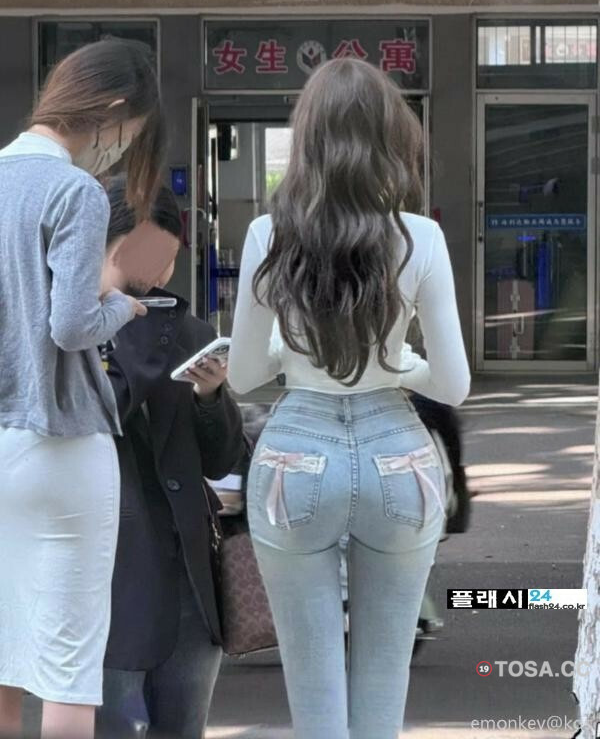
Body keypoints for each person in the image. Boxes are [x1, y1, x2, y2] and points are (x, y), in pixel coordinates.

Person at [228, 57, 471, 739]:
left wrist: (292, 353)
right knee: (384, 683)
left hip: (295, 456)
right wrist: (398, 362)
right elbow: (453, 386)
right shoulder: (420, 237)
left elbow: (244, 374)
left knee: (313, 690)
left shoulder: (267, 235)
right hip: (399, 455)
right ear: (392, 137)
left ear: (307, 139)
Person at [0, 39, 165, 739]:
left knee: (3, 651)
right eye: (130, 134)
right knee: (68, 664)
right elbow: (71, 327)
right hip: (63, 442)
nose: (122, 151)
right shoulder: (76, 191)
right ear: (115, 110)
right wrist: (122, 306)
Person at [95, 176, 245, 739]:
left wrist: (210, 395)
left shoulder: (189, 331)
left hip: (187, 571)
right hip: (108, 572)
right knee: (111, 724)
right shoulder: (72, 337)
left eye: (167, 256)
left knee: (183, 725)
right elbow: (100, 415)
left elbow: (223, 458)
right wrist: (129, 338)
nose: (157, 274)